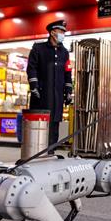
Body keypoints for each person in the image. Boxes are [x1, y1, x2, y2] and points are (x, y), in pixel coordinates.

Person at [26, 19, 73, 148]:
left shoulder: (64, 53)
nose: (63, 33)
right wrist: (34, 86)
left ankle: (51, 152)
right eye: (61, 31)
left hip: (57, 97)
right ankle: (36, 153)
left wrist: (68, 92)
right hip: (41, 95)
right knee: (39, 126)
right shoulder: (38, 48)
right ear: (53, 32)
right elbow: (32, 68)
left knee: (54, 126)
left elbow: (67, 73)